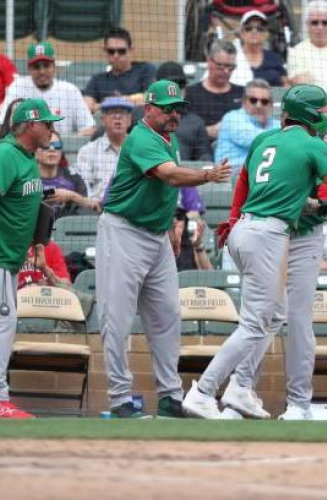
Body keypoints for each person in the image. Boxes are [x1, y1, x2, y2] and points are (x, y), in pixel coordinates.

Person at [182, 84, 327, 420]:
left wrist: (325, 206)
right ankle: (203, 391)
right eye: (320, 113)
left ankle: (240, 389)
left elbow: (266, 189)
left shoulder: (265, 140)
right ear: (309, 116)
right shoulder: (311, 144)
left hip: (249, 230)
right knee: (255, 323)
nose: (326, 120)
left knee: (275, 316)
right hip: (269, 235)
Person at [97, 80, 231, 419]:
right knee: (117, 319)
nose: (174, 114)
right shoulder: (141, 137)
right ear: (149, 109)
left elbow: (162, 188)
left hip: (156, 236)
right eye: (168, 108)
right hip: (123, 232)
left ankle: (171, 396)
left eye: (178, 108)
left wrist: (171, 221)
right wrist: (207, 176)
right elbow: (169, 177)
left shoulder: (169, 140)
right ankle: (120, 398)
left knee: (168, 316)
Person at [0, 98, 62, 420]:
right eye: (47, 123)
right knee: (2, 325)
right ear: (30, 125)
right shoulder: (5, 154)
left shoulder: (25, 157)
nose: (52, 129)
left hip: (5, 258)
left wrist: (37, 244)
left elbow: (31, 206)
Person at [0, 42, 95, 137]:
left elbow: (89, 128)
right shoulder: (17, 87)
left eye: (46, 65)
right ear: (29, 69)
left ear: (54, 66)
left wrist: (67, 141)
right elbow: (3, 127)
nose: (42, 71)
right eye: (36, 67)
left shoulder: (70, 90)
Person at [83, 27, 157, 112]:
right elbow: (87, 107)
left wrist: (119, 101)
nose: (116, 55)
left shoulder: (145, 70)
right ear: (105, 51)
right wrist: (118, 102)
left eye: (121, 51)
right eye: (111, 51)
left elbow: (153, 98)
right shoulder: (97, 79)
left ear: (131, 50)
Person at [76, 97, 133, 205]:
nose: (118, 117)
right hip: (98, 212)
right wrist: (94, 204)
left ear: (129, 120)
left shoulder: (141, 149)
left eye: (122, 113)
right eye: (112, 112)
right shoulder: (88, 151)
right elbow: (84, 187)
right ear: (102, 119)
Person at [154, 62, 213, 162]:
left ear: (185, 87)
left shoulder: (195, 123)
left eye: (179, 85)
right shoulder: (139, 117)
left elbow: (205, 159)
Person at [186, 41, 245, 140]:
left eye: (230, 67)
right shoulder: (192, 93)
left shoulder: (242, 93)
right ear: (209, 62)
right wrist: (207, 131)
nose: (226, 71)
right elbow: (184, 130)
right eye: (221, 66)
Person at [215, 79, 280, 168]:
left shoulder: (276, 123)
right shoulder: (232, 118)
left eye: (264, 101)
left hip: (264, 174)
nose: (258, 105)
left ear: (271, 105)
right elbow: (256, 140)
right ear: (243, 102)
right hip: (231, 173)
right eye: (253, 100)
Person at [38, 131, 95, 218]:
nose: (52, 149)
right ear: (35, 150)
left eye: (57, 145)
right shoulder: (27, 178)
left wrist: (71, 196)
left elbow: (94, 207)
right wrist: (49, 193)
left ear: (61, 151)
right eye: (46, 145)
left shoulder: (73, 177)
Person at [237, 10, 288, 87]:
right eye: (248, 28)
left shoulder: (274, 58)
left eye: (260, 28)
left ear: (266, 34)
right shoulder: (233, 58)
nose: (254, 31)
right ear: (241, 33)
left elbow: (286, 86)